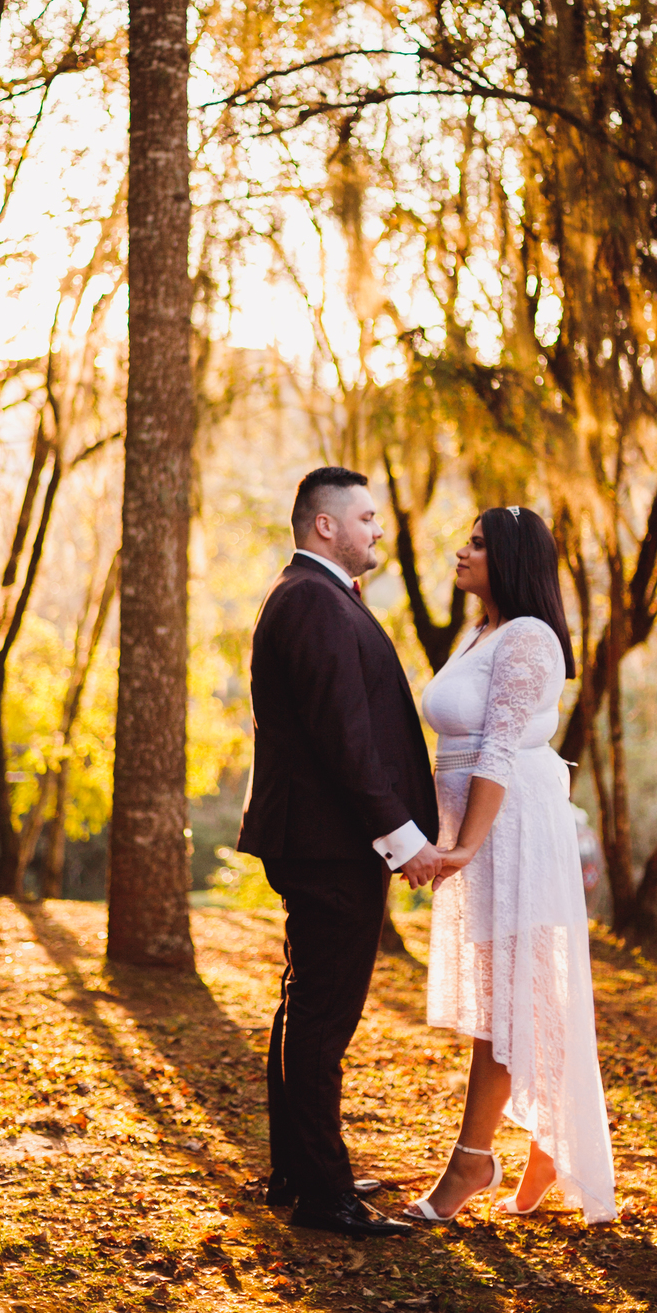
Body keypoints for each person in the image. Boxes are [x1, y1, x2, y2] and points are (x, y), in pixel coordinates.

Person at [237, 466, 443, 1236]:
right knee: (323, 1020)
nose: (377, 530)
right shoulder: (313, 603)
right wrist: (403, 842)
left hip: (321, 841)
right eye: (366, 517)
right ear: (325, 525)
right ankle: (324, 1196)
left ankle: (302, 1171)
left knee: (305, 1010)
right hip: (329, 845)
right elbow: (346, 742)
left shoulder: (317, 598)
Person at [403, 506, 617, 1226]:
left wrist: (465, 844)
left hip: (514, 828)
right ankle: (544, 1139)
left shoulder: (527, 637)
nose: (461, 552)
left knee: (508, 996)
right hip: (481, 828)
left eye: (479, 544)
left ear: (513, 559)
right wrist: (439, 836)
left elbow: (495, 750)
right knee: (508, 994)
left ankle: (473, 1159)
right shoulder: (483, 633)